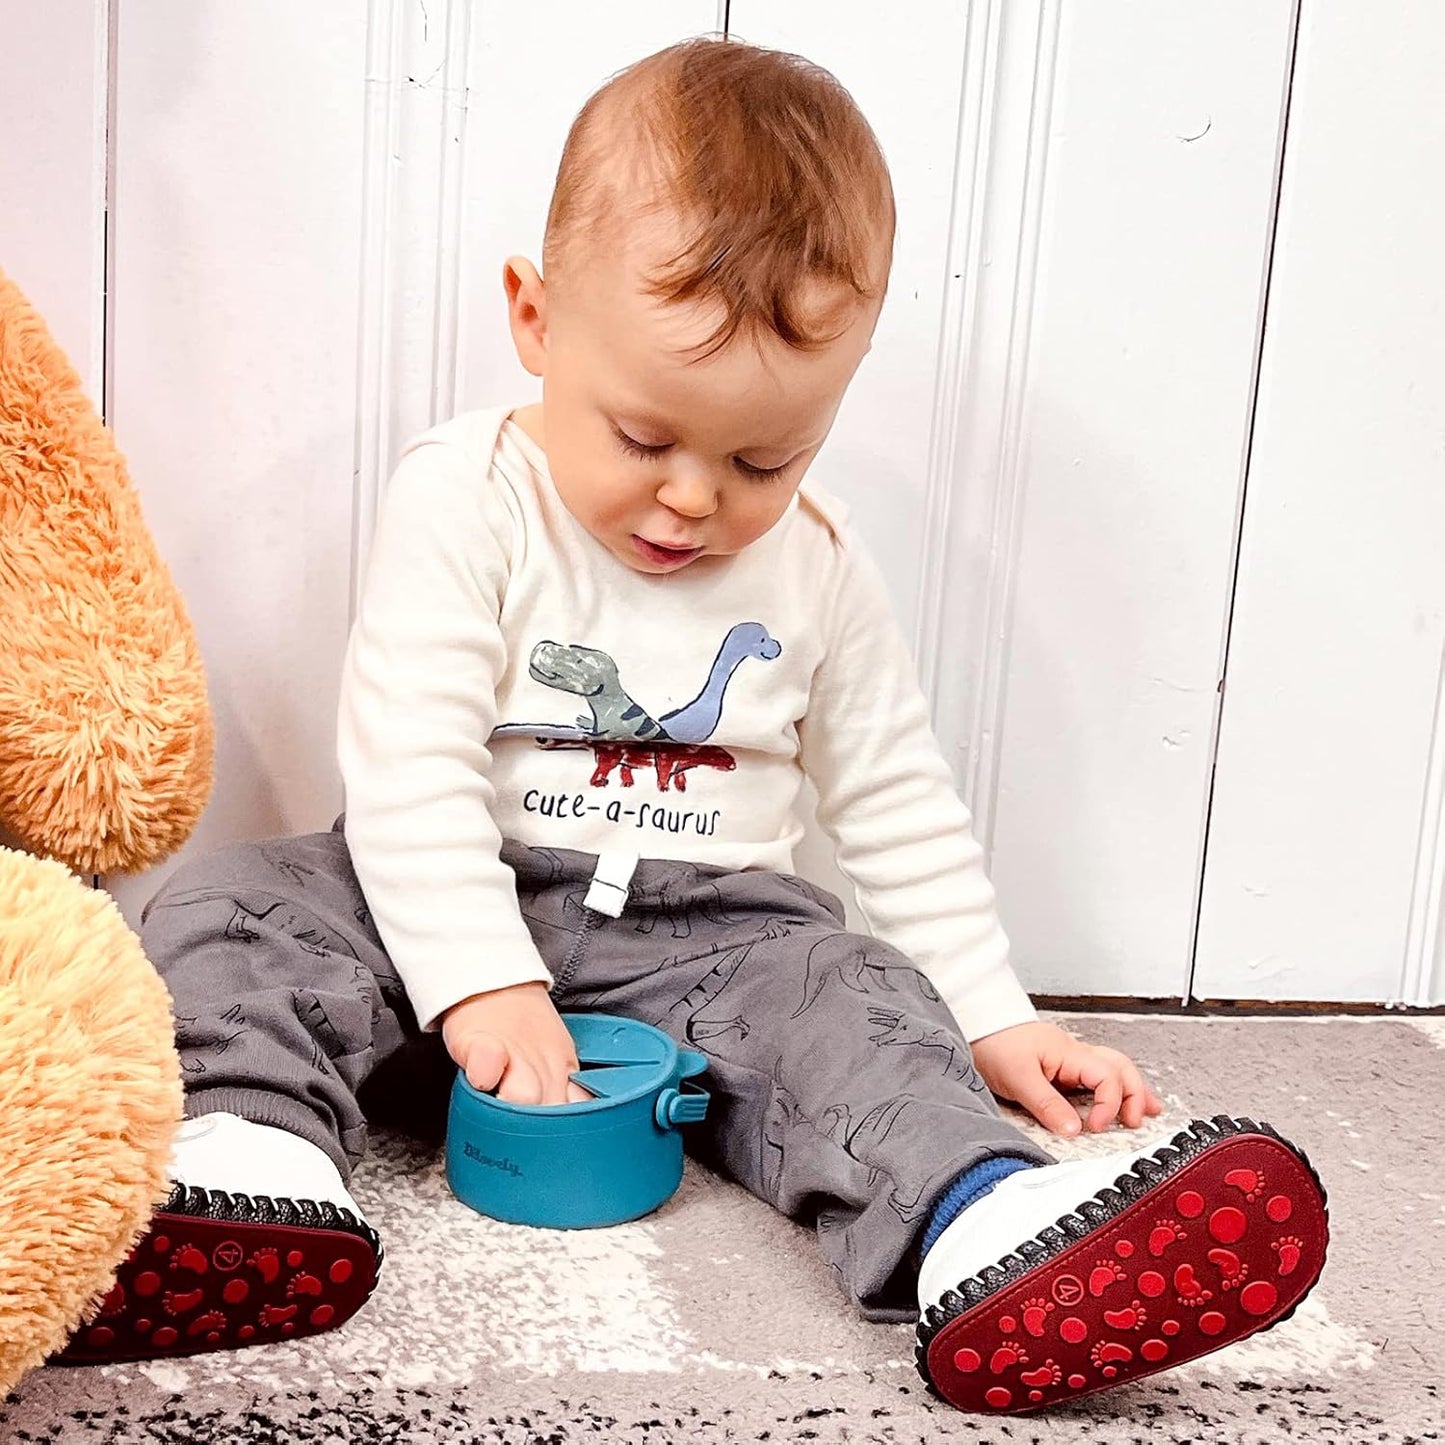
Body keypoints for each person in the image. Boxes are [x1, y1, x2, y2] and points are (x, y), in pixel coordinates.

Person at [61, 38, 1327, 1415]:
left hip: (710, 937)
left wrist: (991, 1013)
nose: (691, 499)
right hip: (437, 905)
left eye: (761, 459)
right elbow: (410, 757)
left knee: (855, 995)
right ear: (537, 320)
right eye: (643, 436)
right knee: (235, 907)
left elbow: (896, 802)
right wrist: (480, 979)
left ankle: (986, 1228)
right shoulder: (467, 494)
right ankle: (245, 1176)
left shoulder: (819, 567)